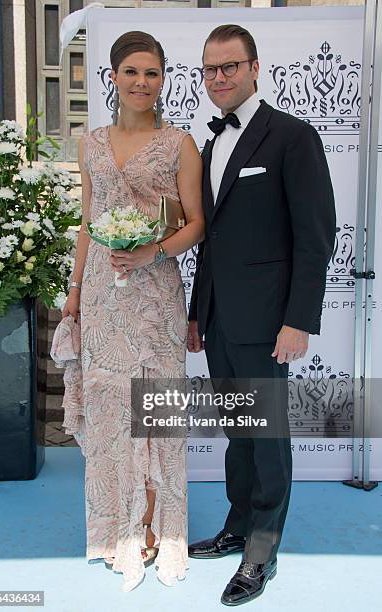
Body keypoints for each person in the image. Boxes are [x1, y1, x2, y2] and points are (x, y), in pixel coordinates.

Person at [187, 24, 336, 606]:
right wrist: (199, 313)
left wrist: (299, 319)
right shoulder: (210, 144)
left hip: (271, 321)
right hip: (222, 318)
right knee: (237, 433)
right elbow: (212, 239)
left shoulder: (292, 137)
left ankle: (261, 550)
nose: (219, 78)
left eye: (229, 67)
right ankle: (236, 525)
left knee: (268, 436)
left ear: (254, 67)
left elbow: (315, 235)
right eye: (209, 70)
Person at [55, 30, 203, 592]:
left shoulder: (179, 143)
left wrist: (151, 252)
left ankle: (161, 531)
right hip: (102, 294)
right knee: (115, 415)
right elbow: (89, 222)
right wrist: (73, 291)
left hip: (157, 291)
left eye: (153, 73)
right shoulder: (90, 144)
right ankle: (120, 532)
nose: (142, 83)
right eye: (132, 72)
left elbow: (196, 222)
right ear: (112, 77)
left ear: (164, 80)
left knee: (158, 411)